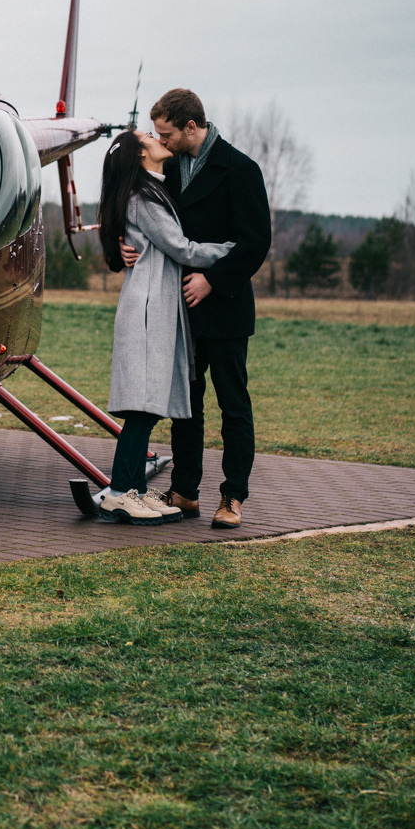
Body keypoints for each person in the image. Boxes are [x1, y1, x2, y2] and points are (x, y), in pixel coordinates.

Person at [121, 89, 271, 529]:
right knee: (185, 404)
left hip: (224, 308)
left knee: (233, 404)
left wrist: (213, 279)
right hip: (178, 307)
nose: (161, 142)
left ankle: (233, 496)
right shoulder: (166, 170)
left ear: (192, 127)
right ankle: (185, 491)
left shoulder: (241, 169)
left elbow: (256, 243)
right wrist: (124, 244)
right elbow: (146, 219)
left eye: (167, 134)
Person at [94, 128, 234, 526]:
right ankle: (121, 492)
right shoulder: (144, 197)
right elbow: (181, 248)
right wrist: (230, 251)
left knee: (148, 405)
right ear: (140, 155)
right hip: (148, 310)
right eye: (149, 137)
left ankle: (132, 489)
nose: (158, 138)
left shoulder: (150, 189)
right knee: (142, 406)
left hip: (154, 307)